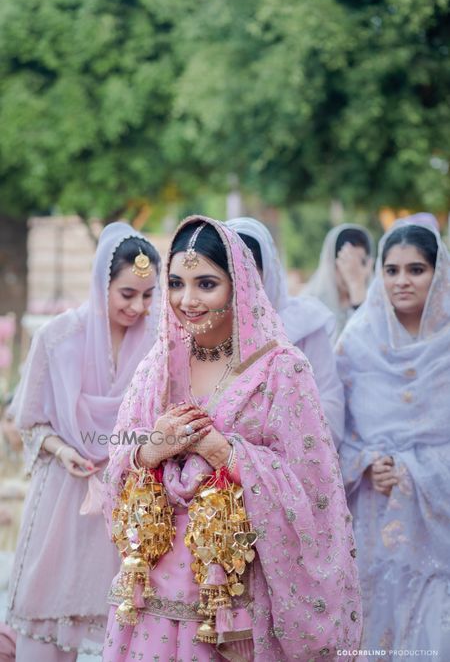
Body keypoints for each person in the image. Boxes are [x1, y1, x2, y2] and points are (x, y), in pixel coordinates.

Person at [103, 216, 362, 662]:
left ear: (238, 285)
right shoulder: (159, 367)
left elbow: (313, 490)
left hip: (240, 591)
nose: (188, 300)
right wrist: (150, 450)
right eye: (177, 283)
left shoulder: (282, 369)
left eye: (206, 284)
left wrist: (225, 453)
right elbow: (118, 464)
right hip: (154, 589)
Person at [6, 222, 161, 661]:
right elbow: (30, 422)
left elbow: (156, 422)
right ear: (102, 283)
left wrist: (130, 451)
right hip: (63, 494)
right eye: (127, 293)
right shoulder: (56, 338)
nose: (138, 306)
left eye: (148, 296)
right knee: (48, 617)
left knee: (123, 622)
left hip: (126, 500)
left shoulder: (155, 345)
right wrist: (65, 450)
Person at [336, 221, 450, 656]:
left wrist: (414, 469)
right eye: (392, 270)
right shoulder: (355, 344)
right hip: (372, 515)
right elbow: (328, 432)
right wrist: (365, 462)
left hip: (438, 526)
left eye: (416, 270)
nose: (402, 281)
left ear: (438, 275)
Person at [226, 217, 344, 447]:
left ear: (267, 272)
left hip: (295, 463)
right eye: (229, 274)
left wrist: (272, 434)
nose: (238, 285)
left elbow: (330, 402)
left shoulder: (304, 324)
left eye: (248, 273)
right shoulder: (208, 328)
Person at [304, 224, 374, 340]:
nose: (353, 269)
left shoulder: (377, 302)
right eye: (347, 261)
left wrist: (357, 290)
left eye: (360, 262)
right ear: (331, 262)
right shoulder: (310, 304)